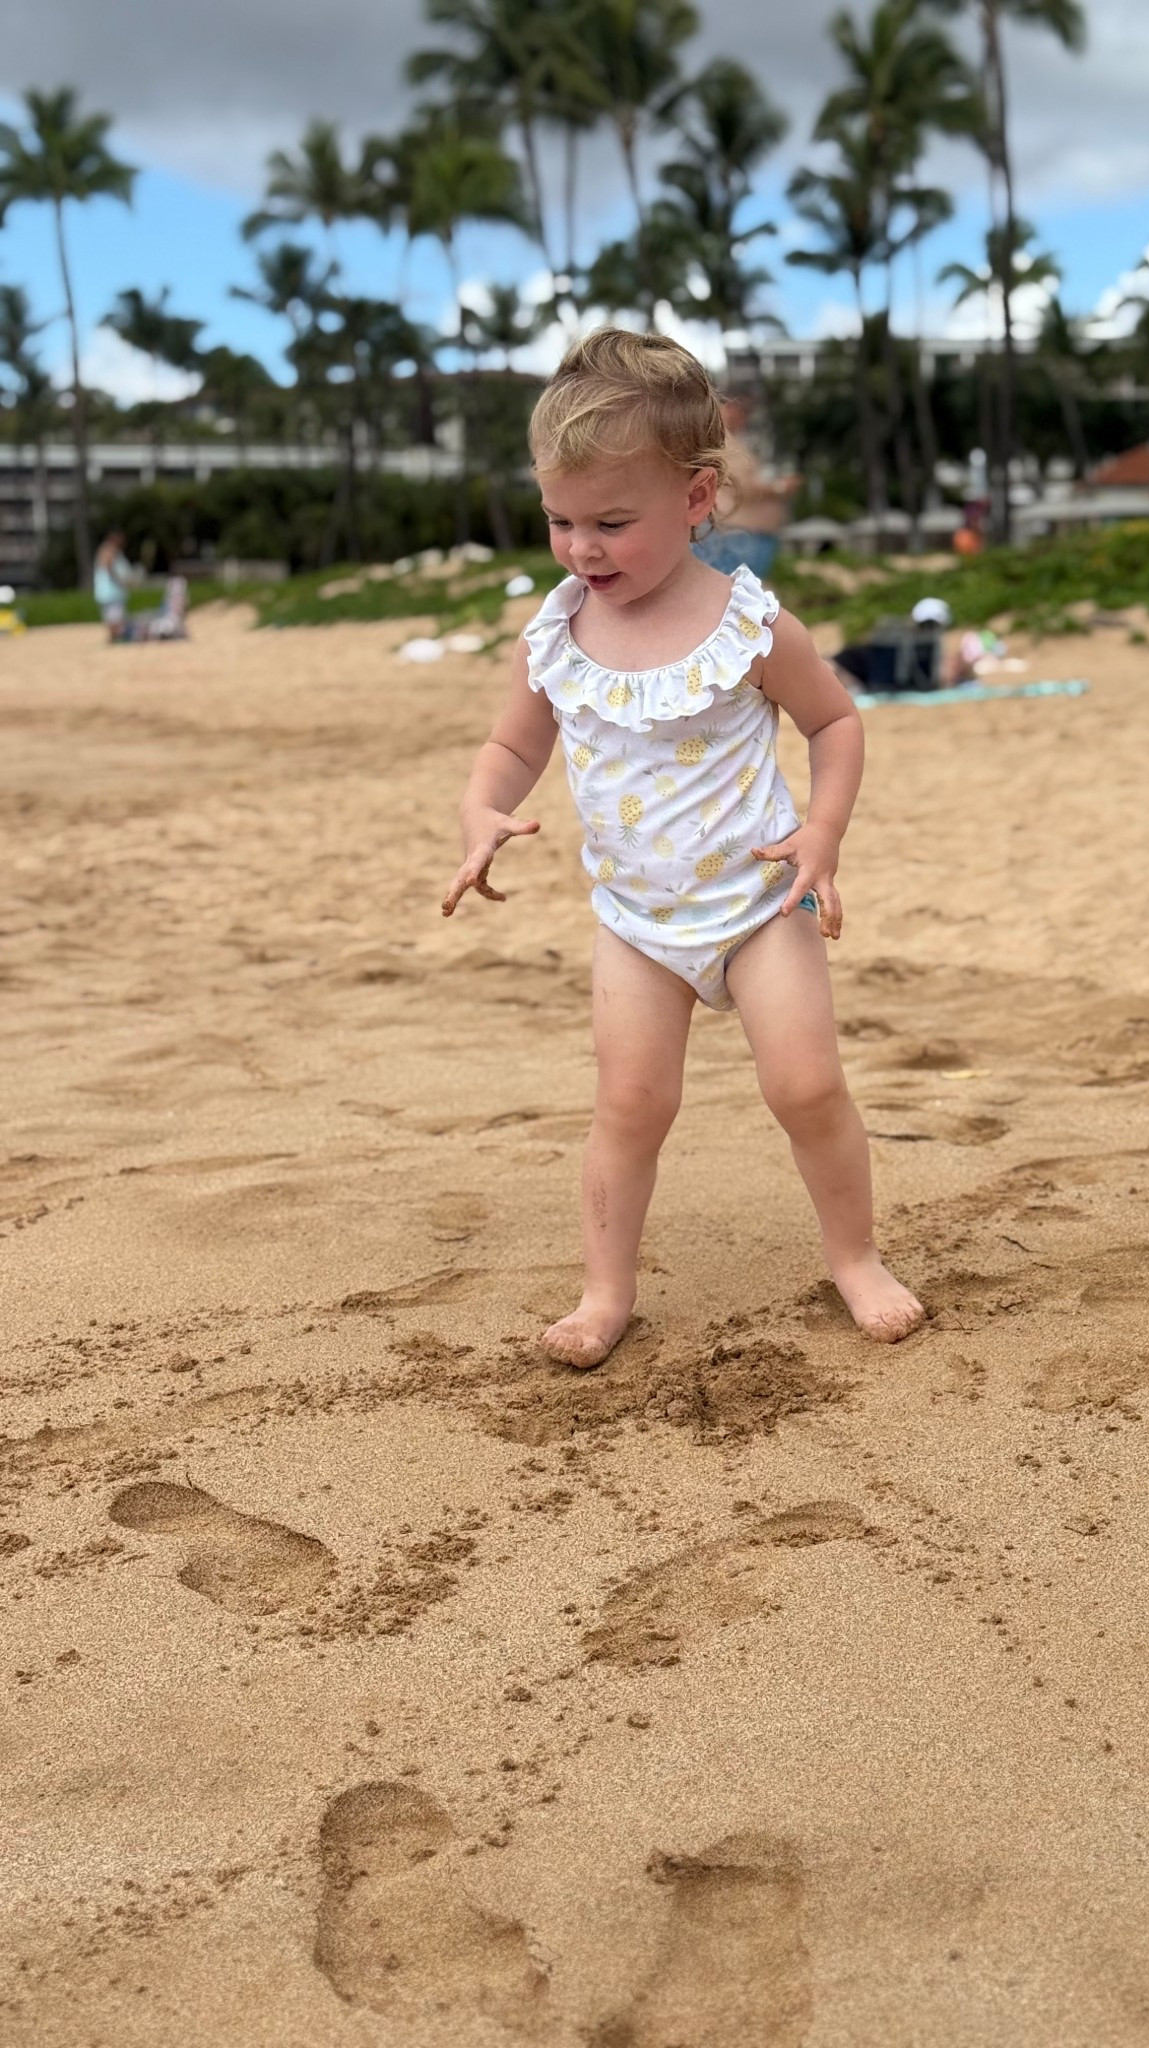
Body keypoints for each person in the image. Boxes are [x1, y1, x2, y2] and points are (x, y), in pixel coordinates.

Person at [442, 327, 923, 1369]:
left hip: (760, 905)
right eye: (561, 519)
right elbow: (510, 744)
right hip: (636, 920)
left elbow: (835, 723)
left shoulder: (750, 629)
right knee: (629, 1102)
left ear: (698, 499)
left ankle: (856, 1255)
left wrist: (824, 835)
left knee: (804, 1085)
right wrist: (482, 810)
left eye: (613, 521)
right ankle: (605, 1291)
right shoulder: (555, 635)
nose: (583, 547)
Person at [691, 392, 799, 580]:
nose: (740, 414)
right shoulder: (719, 439)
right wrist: (780, 486)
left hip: (738, 536)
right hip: (735, 536)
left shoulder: (722, 441)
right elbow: (741, 487)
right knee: (731, 602)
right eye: (734, 407)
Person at [93, 530, 134, 642]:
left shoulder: (111, 551)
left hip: (111, 591)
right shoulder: (108, 550)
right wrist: (119, 580)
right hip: (110, 591)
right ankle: (115, 638)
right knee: (115, 617)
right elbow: (108, 567)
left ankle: (115, 637)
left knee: (114, 616)